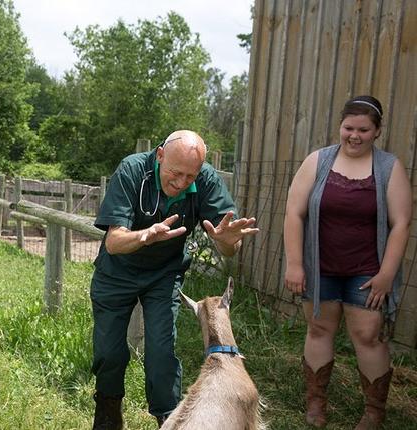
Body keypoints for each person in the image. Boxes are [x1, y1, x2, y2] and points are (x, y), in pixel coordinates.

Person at [90, 130, 259, 429]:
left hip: (164, 274)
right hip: (117, 271)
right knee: (109, 352)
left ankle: (170, 420)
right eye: (175, 173)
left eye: (190, 176)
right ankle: (108, 413)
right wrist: (145, 235)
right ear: (159, 156)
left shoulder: (206, 180)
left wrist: (228, 242)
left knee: (162, 352)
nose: (182, 182)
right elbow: (113, 242)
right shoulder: (131, 170)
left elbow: (228, 247)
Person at [283, 95, 410, 429]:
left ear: (377, 131)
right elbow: (294, 213)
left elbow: (401, 224)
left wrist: (386, 274)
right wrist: (295, 263)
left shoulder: (388, 168)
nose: (355, 135)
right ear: (340, 126)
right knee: (319, 327)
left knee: (367, 335)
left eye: (363, 129)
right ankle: (316, 404)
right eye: (348, 127)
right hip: (319, 265)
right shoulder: (318, 161)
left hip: (367, 271)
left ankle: (373, 411)